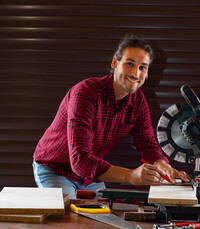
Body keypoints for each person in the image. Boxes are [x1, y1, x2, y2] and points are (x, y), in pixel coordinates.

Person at [33, 35, 191, 198]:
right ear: (115, 63)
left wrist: (162, 165)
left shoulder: (138, 101)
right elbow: (80, 159)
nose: (136, 73)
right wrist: (130, 176)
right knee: (68, 219)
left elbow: (147, 145)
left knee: (101, 218)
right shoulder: (85, 93)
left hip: (89, 174)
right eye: (130, 64)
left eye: (142, 67)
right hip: (55, 168)